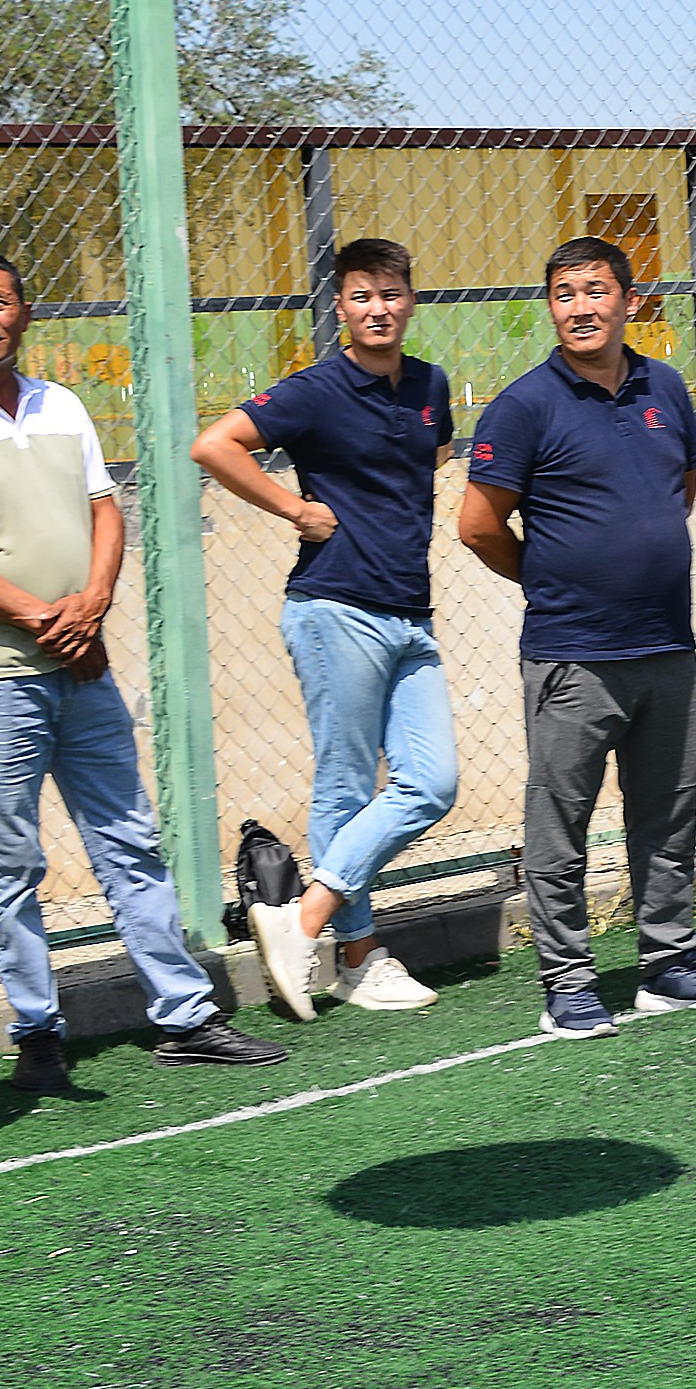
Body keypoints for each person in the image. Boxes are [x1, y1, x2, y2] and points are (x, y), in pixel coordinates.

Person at [0, 249, 285, 1088]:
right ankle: (37, 1035)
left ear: (26, 313)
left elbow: (106, 508)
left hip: (84, 666)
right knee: (12, 864)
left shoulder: (61, 404)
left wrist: (93, 601)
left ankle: (185, 1016)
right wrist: (41, 617)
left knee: (130, 843)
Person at [458, 237, 696, 1033]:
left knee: (667, 814)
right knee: (559, 825)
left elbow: (678, 491)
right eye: (564, 293)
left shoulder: (665, 388)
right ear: (550, 307)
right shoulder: (524, 405)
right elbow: (479, 526)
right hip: (573, 655)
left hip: (667, 646)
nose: (581, 307)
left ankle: (668, 964)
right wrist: (553, 577)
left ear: (631, 300)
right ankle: (567, 981)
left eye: (595, 290)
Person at [193, 236, 460, 1018]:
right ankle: (357, 953)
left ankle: (299, 920)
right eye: (361, 295)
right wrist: (297, 509)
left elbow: (432, 452)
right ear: (340, 305)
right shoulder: (315, 389)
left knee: (430, 782)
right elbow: (216, 446)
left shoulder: (431, 385)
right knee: (346, 783)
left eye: (391, 293)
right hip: (334, 606)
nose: (378, 308)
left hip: (411, 612)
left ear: (411, 299)